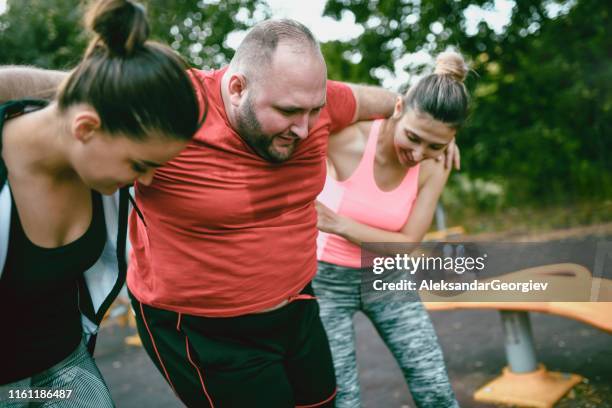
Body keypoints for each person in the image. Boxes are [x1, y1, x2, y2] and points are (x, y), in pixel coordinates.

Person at [0, 18, 458, 407]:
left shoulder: (317, 103)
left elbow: (393, 103)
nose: (305, 126)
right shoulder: (174, 104)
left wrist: (432, 133)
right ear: (237, 87)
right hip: (205, 329)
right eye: (288, 111)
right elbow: (67, 89)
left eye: (315, 110)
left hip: (296, 306)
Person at [0, 0, 204, 406]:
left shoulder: (101, 172)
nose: (146, 181)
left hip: (68, 371)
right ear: (86, 127)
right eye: (140, 165)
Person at [312, 51, 469, 408]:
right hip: (327, 283)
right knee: (344, 399)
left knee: (435, 388)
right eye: (413, 137)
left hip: (388, 279)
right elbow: (309, 109)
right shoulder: (347, 139)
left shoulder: (435, 164)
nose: (418, 153)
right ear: (397, 110)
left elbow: (407, 244)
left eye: (435, 144)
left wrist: (337, 223)